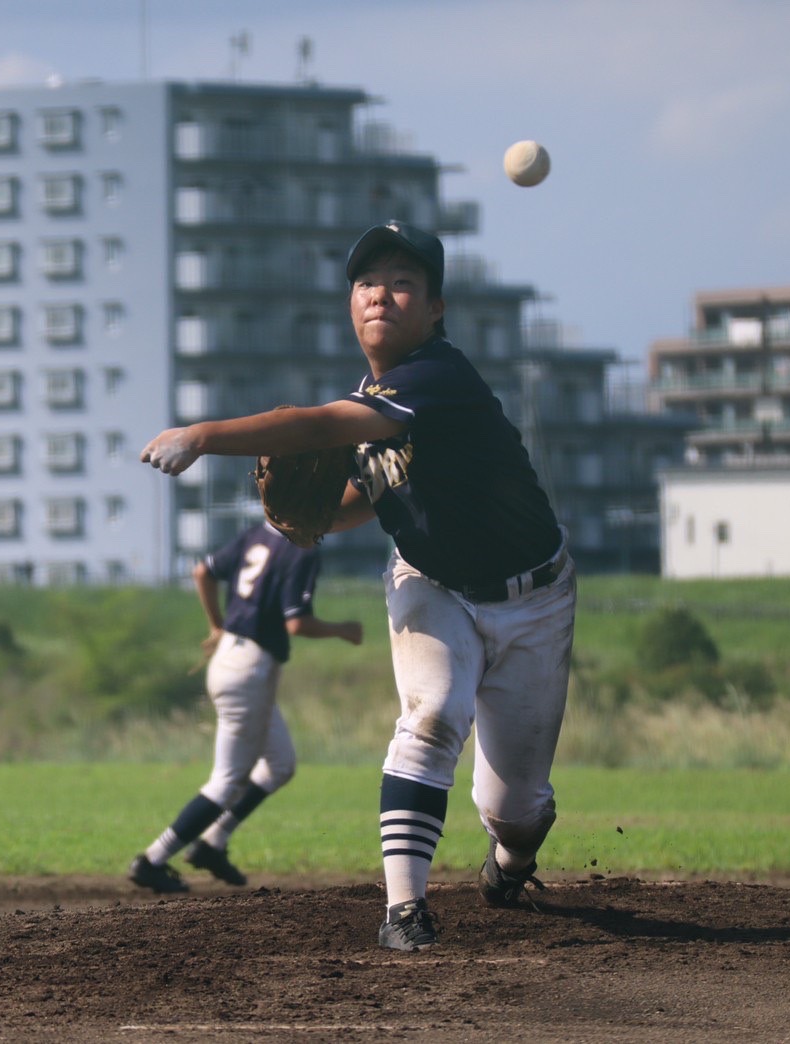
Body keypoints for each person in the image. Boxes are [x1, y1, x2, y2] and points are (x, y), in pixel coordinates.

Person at [140, 220, 577, 951]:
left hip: (534, 600)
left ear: (435, 309)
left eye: (404, 281)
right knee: (431, 717)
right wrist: (306, 522)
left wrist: (206, 434)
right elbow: (369, 498)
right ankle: (405, 909)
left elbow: (315, 426)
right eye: (369, 281)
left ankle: (512, 859)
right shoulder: (378, 403)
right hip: (431, 580)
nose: (383, 293)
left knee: (515, 807)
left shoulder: (438, 377)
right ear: (352, 302)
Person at [128, 520, 363, 894]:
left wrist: (217, 626)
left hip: (236, 660)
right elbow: (296, 623)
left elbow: (203, 571)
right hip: (249, 672)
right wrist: (343, 629)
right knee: (226, 781)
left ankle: (212, 843)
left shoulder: (261, 532)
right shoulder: (301, 547)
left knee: (280, 765)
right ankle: (152, 860)